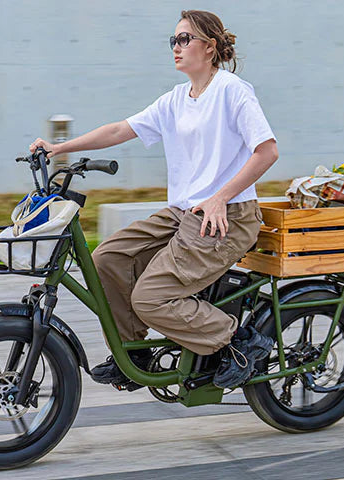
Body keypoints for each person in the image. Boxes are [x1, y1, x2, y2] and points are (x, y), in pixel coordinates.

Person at [29, 10, 278, 389]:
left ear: (209, 48)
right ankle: (135, 349)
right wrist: (59, 148)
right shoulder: (176, 99)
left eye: (184, 39)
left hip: (226, 216)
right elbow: (119, 129)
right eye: (173, 41)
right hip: (184, 214)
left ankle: (240, 341)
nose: (175, 47)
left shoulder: (232, 91)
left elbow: (267, 151)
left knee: (151, 298)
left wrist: (219, 197)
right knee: (107, 260)